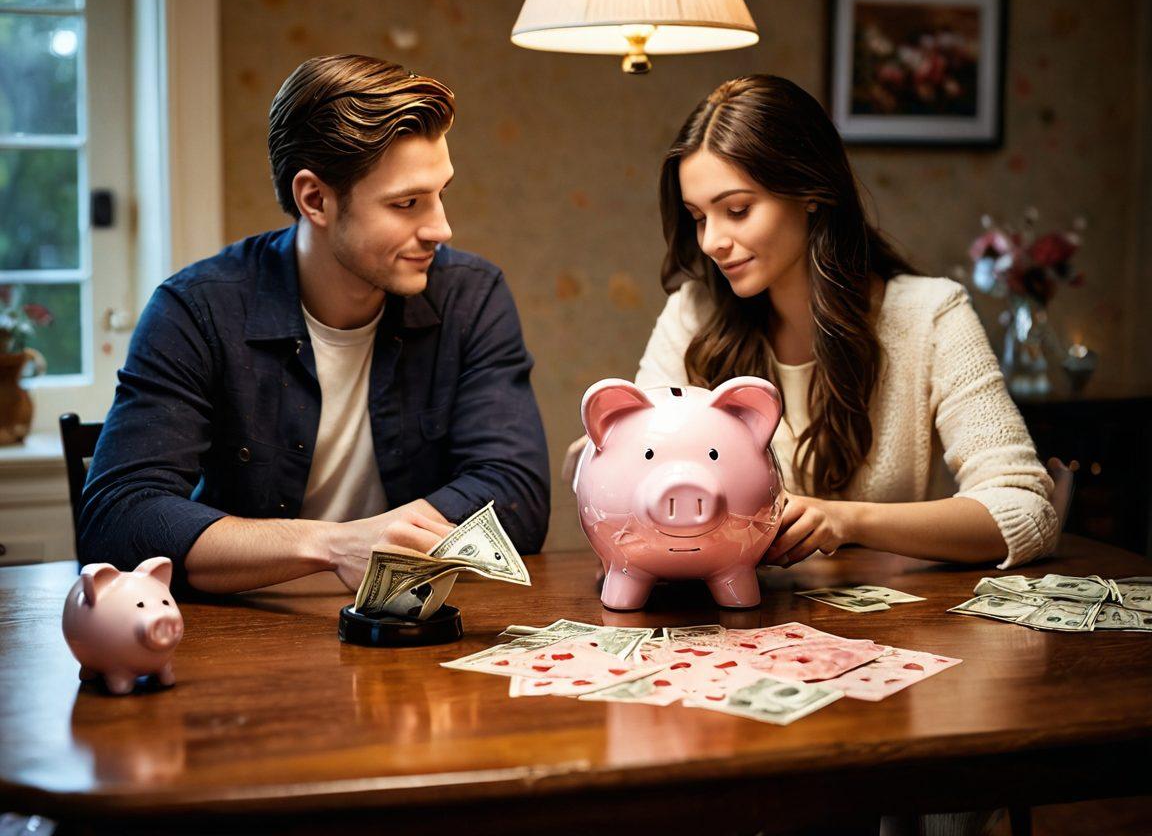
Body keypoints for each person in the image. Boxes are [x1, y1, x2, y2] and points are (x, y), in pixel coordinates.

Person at [80, 55, 550, 594]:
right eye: (407, 203)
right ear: (315, 199)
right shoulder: (198, 310)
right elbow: (118, 522)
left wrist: (383, 542)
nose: (441, 227)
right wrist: (333, 546)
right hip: (244, 639)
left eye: (441, 193)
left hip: (408, 636)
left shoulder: (472, 296)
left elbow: (518, 497)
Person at [564, 74, 1057, 569]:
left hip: (902, 627)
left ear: (810, 194)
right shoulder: (694, 313)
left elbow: (1026, 509)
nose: (711, 241)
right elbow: (636, 499)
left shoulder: (930, 317)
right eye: (698, 217)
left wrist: (848, 521)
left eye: (737, 209)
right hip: (743, 624)